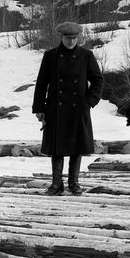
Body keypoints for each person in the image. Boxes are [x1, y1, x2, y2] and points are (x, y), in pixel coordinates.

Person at [31, 21, 104, 197]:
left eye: (74, 38)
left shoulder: (86, 55)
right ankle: (56, 184)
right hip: (55, 108)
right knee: (56, 147)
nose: (71, 42)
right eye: (68, 38)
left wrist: (89, 102)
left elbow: (98, 80)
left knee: (76, 146)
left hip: (78, 108)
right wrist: (39, 108)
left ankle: (74, 183)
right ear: (61, 37)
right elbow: (42, 83)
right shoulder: (50, 56)